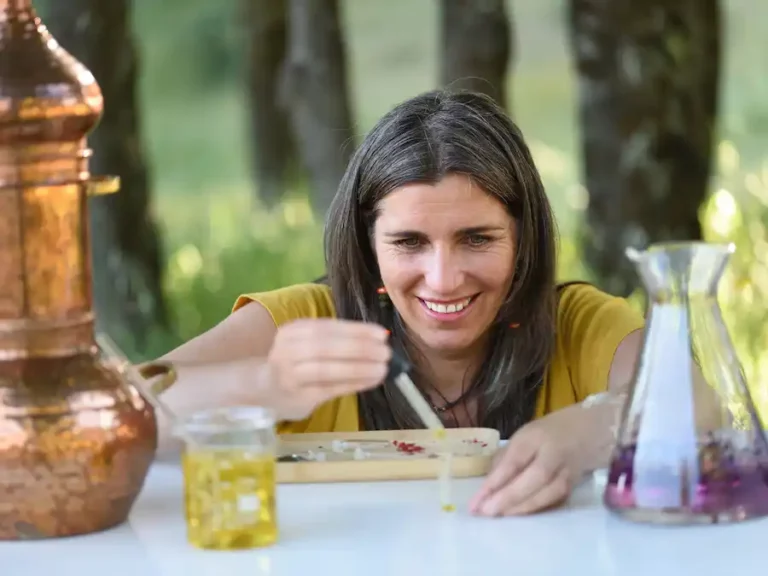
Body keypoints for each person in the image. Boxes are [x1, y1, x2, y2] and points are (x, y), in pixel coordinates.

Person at [157, 90, 645, 517]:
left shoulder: (580, 324)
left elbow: (697, 407)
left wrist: (591, 430)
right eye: (409, 242)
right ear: (369, 247)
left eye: (476, 239)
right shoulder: (304, 322)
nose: (444, 279)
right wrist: (265, 384)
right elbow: (116, 418)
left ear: (524, 240)